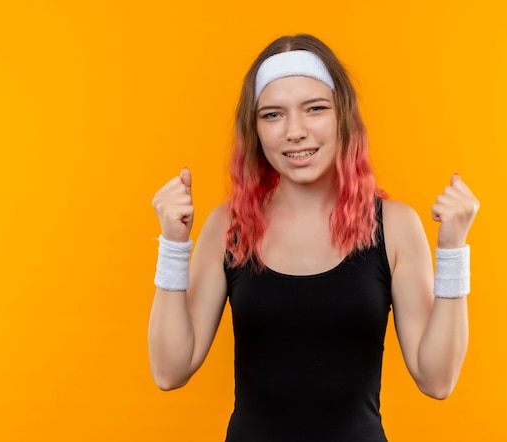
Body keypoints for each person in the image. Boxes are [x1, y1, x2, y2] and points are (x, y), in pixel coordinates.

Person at [148, 34, 480, 441]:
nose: (295, 131)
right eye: (272, 115)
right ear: (255, 130)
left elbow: (437, 380)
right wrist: (173, 244)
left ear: (343, 115)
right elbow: (169, 370)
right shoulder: (227, 228)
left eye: (315, 109)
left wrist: (453, 250)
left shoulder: (394, 226)